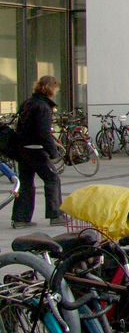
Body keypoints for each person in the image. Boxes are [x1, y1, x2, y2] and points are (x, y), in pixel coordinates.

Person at [13, 75, 63, 228]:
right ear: (51, 88)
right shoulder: (43, 107)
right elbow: (43, 133)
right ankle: (56, 215)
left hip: (23, 149)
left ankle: (20, 218)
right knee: (52, 179)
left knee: (26, 183)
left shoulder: (28, 103)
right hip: (36, 149)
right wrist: (53, 153)